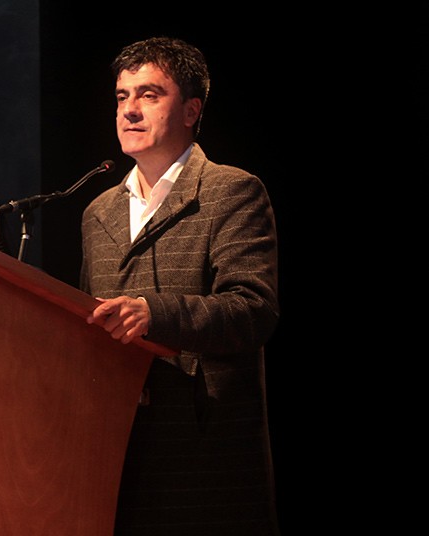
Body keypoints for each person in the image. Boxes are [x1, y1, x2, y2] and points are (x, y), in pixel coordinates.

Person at [81, 36, 280, 535]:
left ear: (192, 110)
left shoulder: (230, 191)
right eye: (122, 96)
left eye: (149, 95)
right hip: (112, 453)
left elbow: (252, 310)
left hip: (201, 457)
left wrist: (155, 313)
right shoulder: (97, 212)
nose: (129, 110)